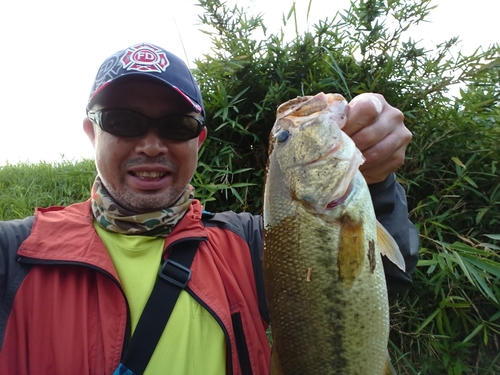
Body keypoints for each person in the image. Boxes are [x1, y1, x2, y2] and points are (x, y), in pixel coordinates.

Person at [0, 43, 419, 375]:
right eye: (124, 121)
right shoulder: (13, 253)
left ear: (197, 142)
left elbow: (390, 272)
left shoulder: (250, 245)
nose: (151, 145)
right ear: (93, 133)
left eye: (176, 125)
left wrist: (377, 181)